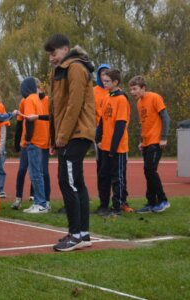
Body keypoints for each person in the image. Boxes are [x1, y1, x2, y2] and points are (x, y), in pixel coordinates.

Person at [44, 33, 96, 252]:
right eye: (49, 55)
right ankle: (82, 233)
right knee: (75, 182)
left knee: (69, 182)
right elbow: (56, 107)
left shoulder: (74, 67)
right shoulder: (61, 69)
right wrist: (53, 138)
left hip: (76, 132)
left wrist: (62, 137)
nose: (51, 58)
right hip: (70, 133)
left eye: (53, 53)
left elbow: (73, 105)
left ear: (65, 49)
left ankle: (76, 235)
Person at [129, 75, 171, 213]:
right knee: (148, 172)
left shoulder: (154, 97)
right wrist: (142, 141)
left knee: (150, 170)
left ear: (143, 88)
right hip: (147, 142)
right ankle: (151, 203)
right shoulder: (139, 103)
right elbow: (143, 123)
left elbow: (165, 118)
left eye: (135, 89)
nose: (132, 92)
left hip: (156, 141)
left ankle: (163, 200)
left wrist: (163, 137)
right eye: (131, 89)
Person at [95, 69, 132, 216]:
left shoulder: (122, 99)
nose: (104, 83)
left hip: (117, 148)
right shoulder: (106, 97)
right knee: (103, 176)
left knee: (118, 178)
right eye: (103, 81)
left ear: (115, 82)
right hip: (104, 146)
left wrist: (113, 148)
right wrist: (98, 138)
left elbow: (120, 126)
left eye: (107, 81)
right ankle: (103, 205)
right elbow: (102, 122)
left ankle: (117, 207)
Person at [16, 77, 51, 213]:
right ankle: (42, 202)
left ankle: (40, 203)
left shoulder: (30, 99)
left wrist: (28, 139)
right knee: (39, 172)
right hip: (42, 139)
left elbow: (30, 120)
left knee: (35, 173)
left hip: (35, 140)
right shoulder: (37, 99)